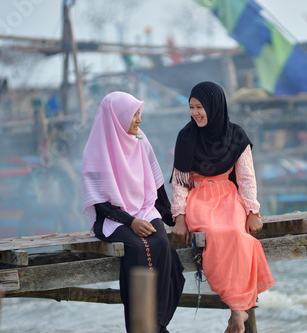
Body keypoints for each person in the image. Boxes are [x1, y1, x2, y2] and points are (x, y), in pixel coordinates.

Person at [171, 81, 274, 333]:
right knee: (215, 234)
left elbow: (247, 177)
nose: (195, 112)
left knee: (239, 235)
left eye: (200, 107)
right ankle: (239, 312)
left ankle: (236, 313)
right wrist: (180, 218)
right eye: (192, 107)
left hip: (228, 198)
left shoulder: (237, 136)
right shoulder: (186, 137)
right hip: (199, 199)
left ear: (214, 106)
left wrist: (252, 212)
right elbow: (179, 182)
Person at [81, 91, 185, 333]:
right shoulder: (97, 149)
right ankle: (141, 325)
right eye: (134, 115)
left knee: (160, 240)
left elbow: (157, 187)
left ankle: (157, 323)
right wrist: (131, 222)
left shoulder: (140, 140)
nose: (139, 120)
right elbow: (99, 203)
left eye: (139, 113)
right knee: (139, 247)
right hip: (112, 218)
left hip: (145, 208)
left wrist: (176, 219)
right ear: (117, 118)